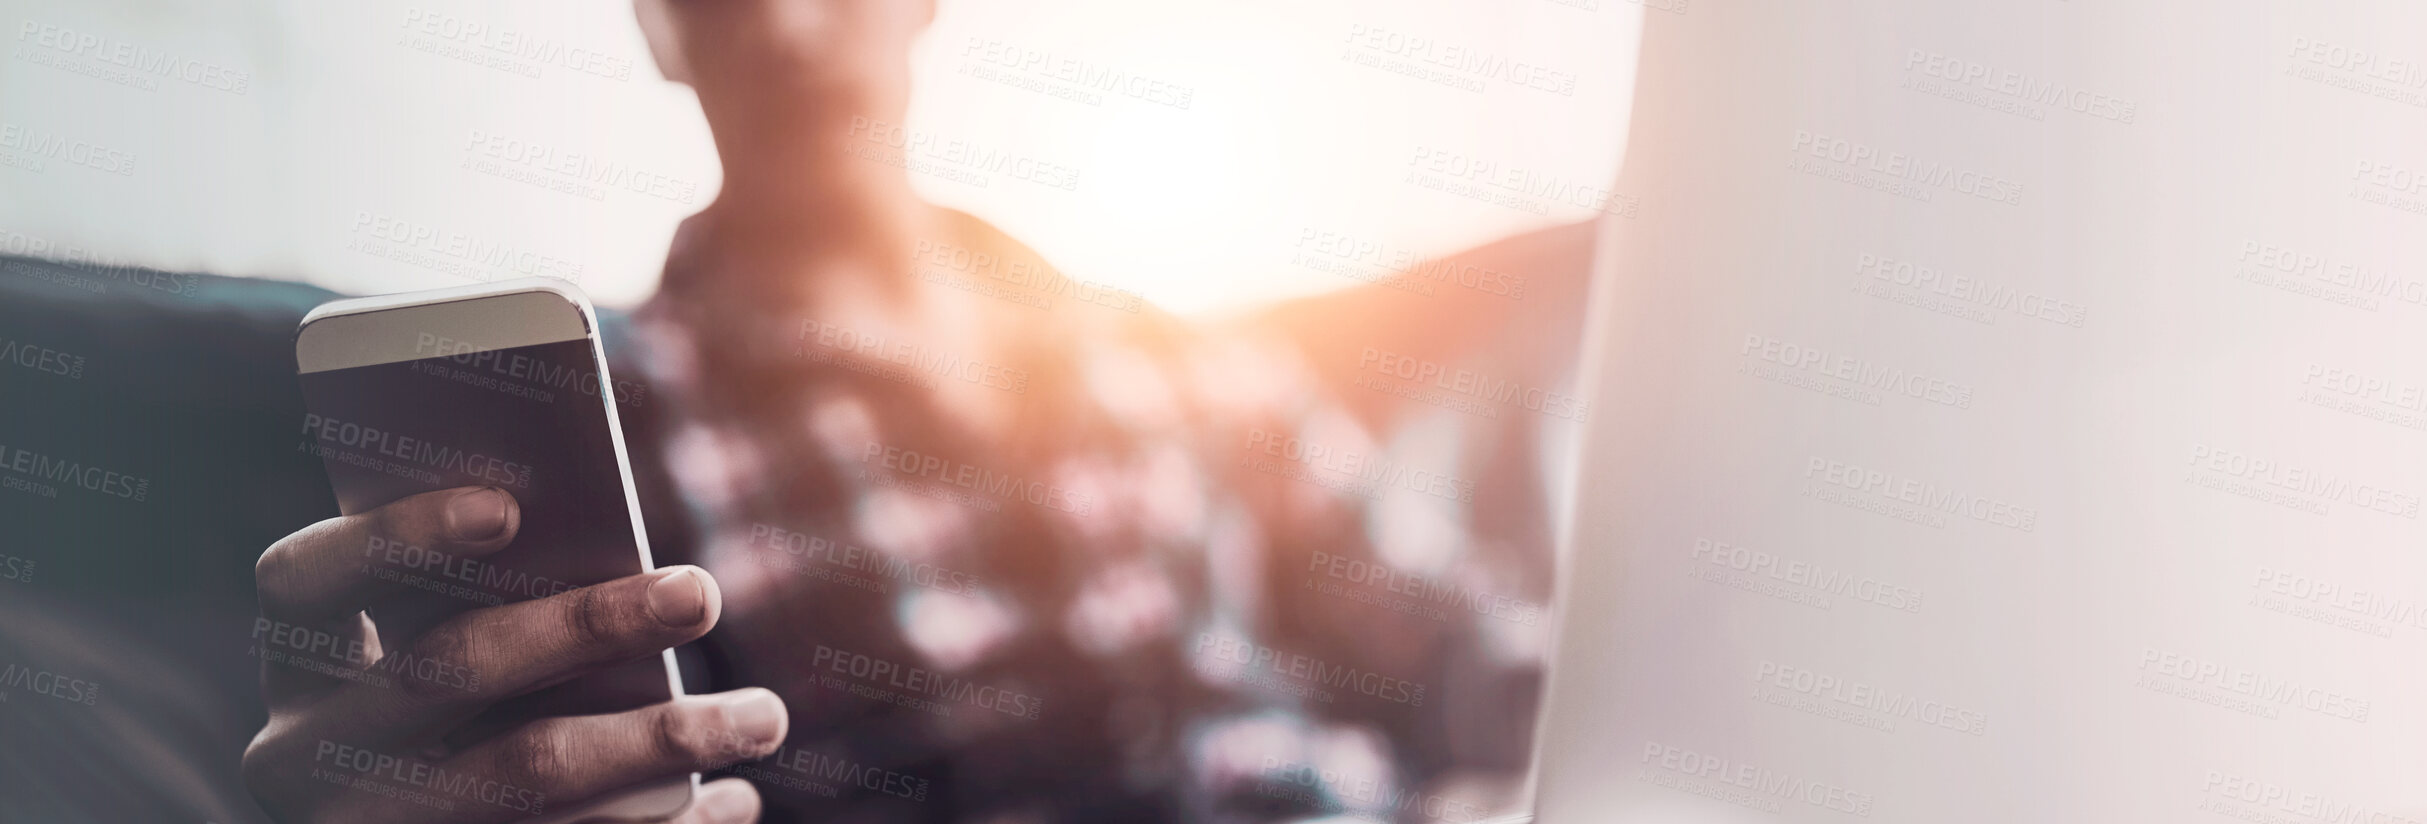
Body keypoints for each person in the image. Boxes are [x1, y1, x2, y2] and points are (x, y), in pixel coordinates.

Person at [20, 0, 1601, 821]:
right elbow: (604, 780)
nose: (779, 15)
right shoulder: (611, 435)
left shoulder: (1170, 362)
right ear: (658, 28)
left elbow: (1462, 650)